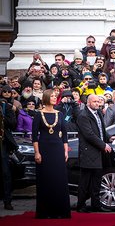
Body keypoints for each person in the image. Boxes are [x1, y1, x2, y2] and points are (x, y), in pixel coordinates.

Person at [31, 89, 70, 218]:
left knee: (59, 179)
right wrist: (37, 153)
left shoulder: (60, 113)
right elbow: (34, 136)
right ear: (46, 97)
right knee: (46, 179)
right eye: (52, 96)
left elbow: (64, 135)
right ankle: (45, 212)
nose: (55, 98)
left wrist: (65, 151)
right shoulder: (38, 115)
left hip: (58, 149)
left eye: (55, 96)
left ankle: (60, 211)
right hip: (44, 149)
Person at [75, 94, 114, 213]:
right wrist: (103, 145)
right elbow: (89, 135)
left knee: (97, 181)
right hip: (88, 152)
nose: (98, 103)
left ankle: (96, 205)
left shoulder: (98, 114)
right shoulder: (83, 116)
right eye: (95, 102)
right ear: (88, 103)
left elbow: (101, 130)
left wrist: (109, 138)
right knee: (85, 181)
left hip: (98, 153)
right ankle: (80, 206)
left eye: (99, 101)